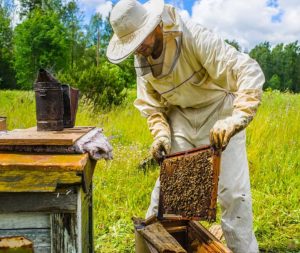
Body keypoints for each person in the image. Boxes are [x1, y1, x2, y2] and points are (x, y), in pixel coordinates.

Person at [106, 0, 265, 252]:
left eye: (141, 40)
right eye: (133, 45)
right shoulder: (142, 58)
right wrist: (161, 136)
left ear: (156, 25)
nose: (139, 49)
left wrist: (237, 118)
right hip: (180, 116)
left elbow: (247, 69)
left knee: (234, 195)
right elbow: (153, 108)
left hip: (219, 111)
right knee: (165, 196)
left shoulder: (192, 36)